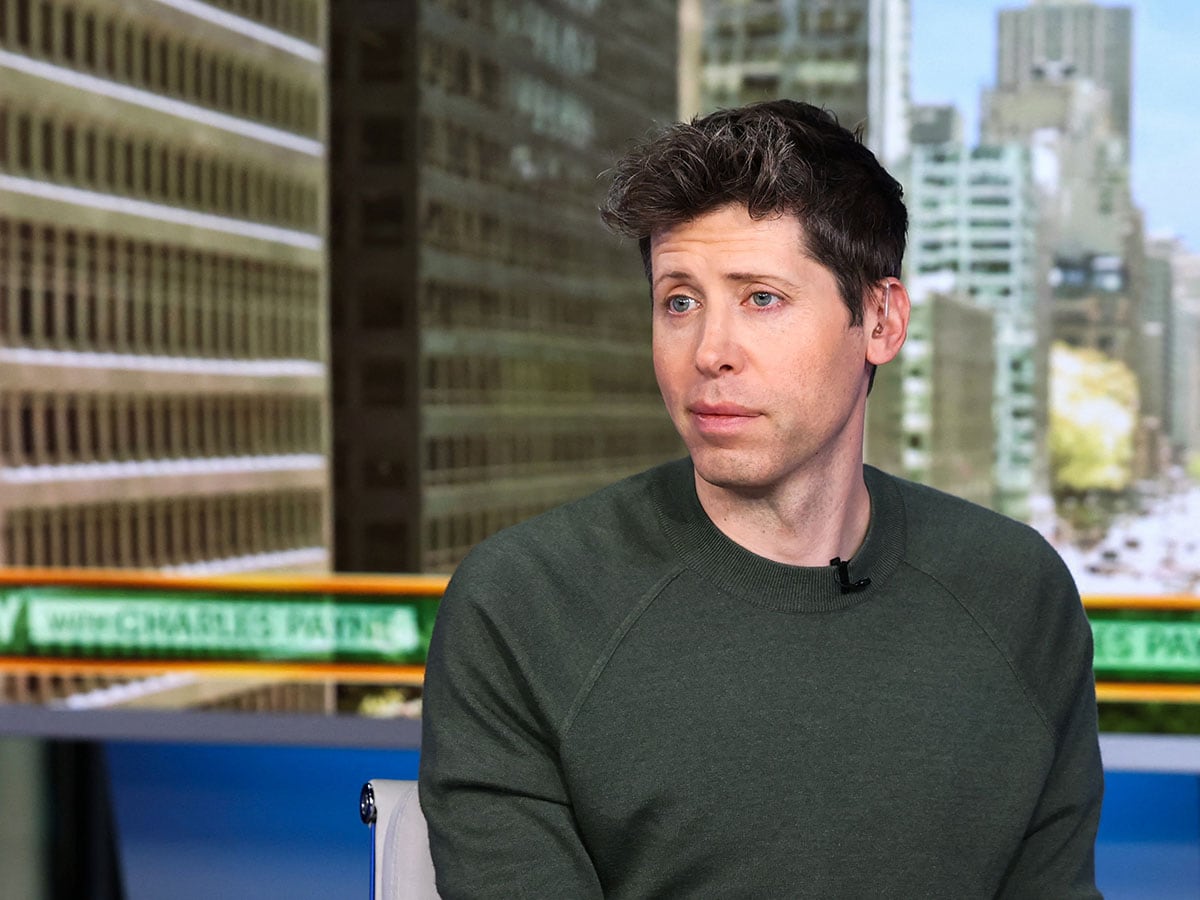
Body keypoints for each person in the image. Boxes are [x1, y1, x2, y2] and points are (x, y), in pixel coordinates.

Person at [419, 100, 1103, 898]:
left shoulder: (1019, 593)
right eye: (679, 300)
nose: (709, 351)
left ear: (881, 320)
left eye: (761, 299)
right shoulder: (524, 605)